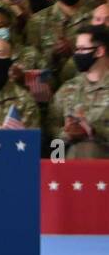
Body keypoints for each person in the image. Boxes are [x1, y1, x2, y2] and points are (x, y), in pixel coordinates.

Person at [50, 25, 109, 158]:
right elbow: (52, 129)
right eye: (76, 49)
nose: (77, 54)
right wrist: (67, 133)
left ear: (99, 51)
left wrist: (91, 131)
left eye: (82, 49)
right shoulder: (67, 89)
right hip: (69, 167)